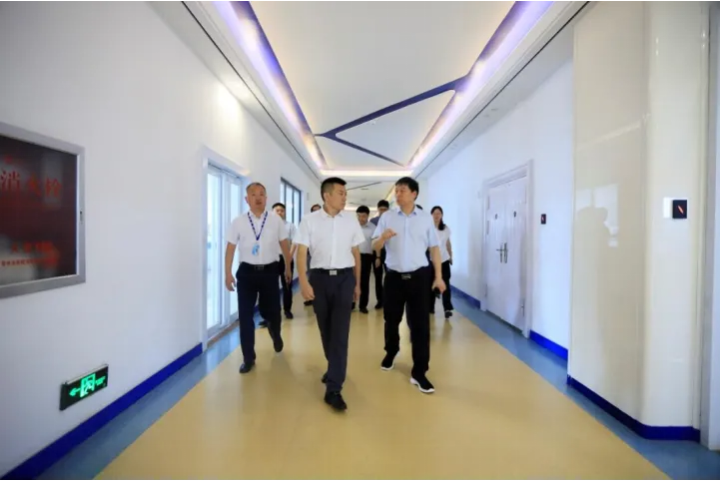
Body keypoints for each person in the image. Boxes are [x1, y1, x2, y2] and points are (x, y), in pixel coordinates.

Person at [372, 177, 446, 394]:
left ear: (414, 194)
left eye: (402, 190)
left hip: (419, 277)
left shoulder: (425, 219)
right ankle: (391, 350)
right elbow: (375, 245)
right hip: (394, 277)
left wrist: (439, 277)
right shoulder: (387, 217)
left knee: (420, 325)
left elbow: (434, 248)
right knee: (391, 319)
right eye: (396, 191)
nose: (398, 194)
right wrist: (382, 238)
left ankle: (419, 371)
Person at [296, 178, 364, 411]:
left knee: (340, 332)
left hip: (344, 279)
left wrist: (357, 283)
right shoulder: (309, 220)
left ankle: (334, 388)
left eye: (345, 193)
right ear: (327, 196)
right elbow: (301, 252)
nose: (345, 197)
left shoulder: (351, 220)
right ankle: (333, 366)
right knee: (325, 330)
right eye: (341, 193)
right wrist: (303, 281)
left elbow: (356, 253)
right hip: (320, 279)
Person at [225, 182, 292, 374]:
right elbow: (230, 248)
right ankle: (248, 358)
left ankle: (275, 332)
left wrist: (288, 267)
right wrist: (227, 273)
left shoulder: (275, 220)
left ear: (266, 198)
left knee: (272, 312)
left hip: (270, 271)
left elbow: (284, 245)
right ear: (247, 199)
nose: (258, 198)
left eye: (261, 194)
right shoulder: (238, 222)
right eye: (253, 194)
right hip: (246, 273)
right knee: (245, 316)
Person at [272, 202, 297, 320]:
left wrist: (289, 257)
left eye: (282, 210)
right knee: (271, 287)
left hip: (286, 258)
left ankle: (287, 310)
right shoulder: (267, 226)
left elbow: (294, 243)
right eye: (277, 210)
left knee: (287, 285)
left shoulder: (290, 226)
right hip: (272, 259)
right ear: (272, 212)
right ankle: (272, 313)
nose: (279, 212)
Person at [431, 206, 454, 319]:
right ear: (431, 215)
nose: (436, 215)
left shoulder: (445, 228)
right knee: (430, 284)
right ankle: (430, 307)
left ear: (442, 215)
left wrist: (451, 256)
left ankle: (447, 308)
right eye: (434, 213)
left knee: (446, 284)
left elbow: (448, 243)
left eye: (438, 213)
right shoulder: (428, 228)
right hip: (431, 261)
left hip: (444, 260)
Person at [353, 205, 375, 314]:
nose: (361, 218)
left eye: (364, 216)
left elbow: (375, 243)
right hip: (352, 256)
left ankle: (363, 305)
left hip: (366, 257)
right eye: (359, 216)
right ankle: (351, 303)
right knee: (351, 280)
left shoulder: (372, 228)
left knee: (364, 281)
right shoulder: (352, 226)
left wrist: (378, 257)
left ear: (368, 216)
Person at [370, 199, 390, 309]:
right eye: (381, 209)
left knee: (389, 277)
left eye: (385, 209)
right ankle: (380, 300)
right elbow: (374, 239)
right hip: (377, 252)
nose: (383, 211)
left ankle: (388, 299)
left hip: (389, 252)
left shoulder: (392, 221)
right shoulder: (373, 222)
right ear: (378, 209)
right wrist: (377, 256)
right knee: (378, 278)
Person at [303, 204, 322, 307]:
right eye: (314, 210)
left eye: (318, 210)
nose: (316, 212)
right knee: (311, 276)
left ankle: (320, 296)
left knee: (321, 277)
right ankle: (311, 297)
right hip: (311, 255)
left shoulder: (326, 223)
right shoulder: (308, 223)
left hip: (322, 256)